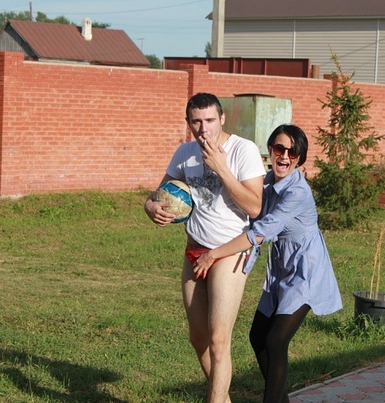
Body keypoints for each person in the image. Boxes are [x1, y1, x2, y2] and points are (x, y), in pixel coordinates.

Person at [193, 124, 343, 402]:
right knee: (257, 336)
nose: (284, 156)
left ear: (300, 157)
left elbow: (258, 234)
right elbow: (243, 201)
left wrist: (214, 254)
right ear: (270, 150)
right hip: (280, 271)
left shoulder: (297, 193)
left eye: (292, 152)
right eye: (279, 148)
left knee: (275, 341)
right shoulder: (266, 182)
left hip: (305, 272)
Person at [144, 92, 266, 402]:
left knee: (218, 341)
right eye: (196, 122)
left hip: (229, 253)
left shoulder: (243, 150)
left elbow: (255, 208)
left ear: (222, 119)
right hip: (195, 251)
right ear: (188, 123)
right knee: (198, 339)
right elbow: (159, 193)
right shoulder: (185, 152)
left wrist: (221, 168)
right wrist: (150, 206)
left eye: (210, 120)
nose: (203, 128)